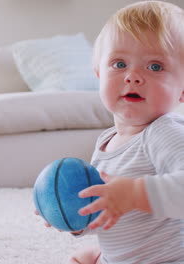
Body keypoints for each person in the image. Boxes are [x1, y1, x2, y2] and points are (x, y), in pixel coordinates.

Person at [64, 1, 184, 263]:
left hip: (166, 258)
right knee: (82, 257)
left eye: (155, 66)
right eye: (119, 64)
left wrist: (135, 194)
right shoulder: (107, 142)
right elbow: (111, 213)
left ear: (183, 90)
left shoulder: (164, 133)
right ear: (98, 75)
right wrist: (74, 218)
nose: (132, 76)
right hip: (123, 255)